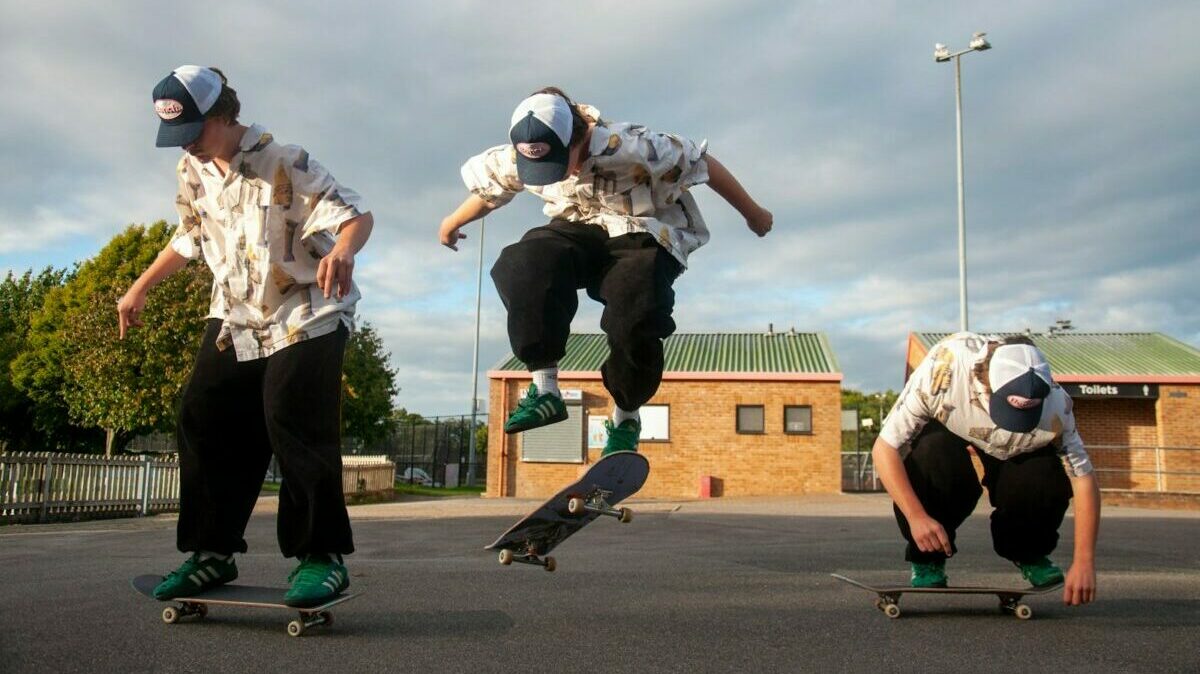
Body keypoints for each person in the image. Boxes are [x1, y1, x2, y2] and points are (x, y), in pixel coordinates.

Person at [118, 65, 373, 607]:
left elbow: (355, 215)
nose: (187, 146)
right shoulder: (192, 171)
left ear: (223, 116)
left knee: (291, 417)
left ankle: (321, 556)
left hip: (306, 311)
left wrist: (345, 250)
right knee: (202, 415)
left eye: (195, 132)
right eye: (178, 136)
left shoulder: (286, 160)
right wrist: (139, 287)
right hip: (235, 315)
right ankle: (212, 552)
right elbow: (188, 237)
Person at [438, 87, 772, 454]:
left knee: (636, 308)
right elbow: (490, 192)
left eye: (562, 162)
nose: (554, 174)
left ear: (579, 138)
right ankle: (545, 388)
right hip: (577, 228)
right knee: (522, 262)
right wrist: (452, 222)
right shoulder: (519, 156)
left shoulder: (636, 146)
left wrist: (753, 214)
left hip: (641, 232)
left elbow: (705, 166)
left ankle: (626, 416)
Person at [872, 333, 1099, 606]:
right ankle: (927, 557)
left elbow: (1083, 479)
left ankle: (1028, 551)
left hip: (1014, 447)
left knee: (1045, 474)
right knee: (931, 453)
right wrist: (916, 516)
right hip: (949, 426)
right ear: (986, 380)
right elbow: (884, 449)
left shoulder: (1058, 406)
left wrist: (1084, 561)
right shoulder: (943, 370)